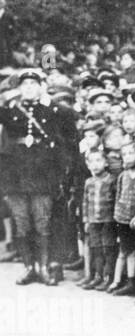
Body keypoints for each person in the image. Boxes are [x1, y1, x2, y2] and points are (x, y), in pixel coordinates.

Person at [1, 68, 78, 286]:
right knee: (22, 223)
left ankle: (44, 267)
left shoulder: (51, 110)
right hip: (16, 176)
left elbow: (70, 117)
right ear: (18, 88)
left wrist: (49, 101)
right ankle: (29, 267)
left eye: (33, 84)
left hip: (42, 175)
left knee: (42, 222)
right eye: (24, 85)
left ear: (41, 87)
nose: (28, 88)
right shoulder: (12, 110)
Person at [107, 139, 135, 297]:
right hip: (122, 220)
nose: (127, 157)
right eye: (124, 154)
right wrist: (117, 216)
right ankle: (131, 282)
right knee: (128, 251)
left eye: (131, 153)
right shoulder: (123, 175)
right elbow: (119, 196)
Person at [79, 148, 117, 290]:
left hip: (108, 221)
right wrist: (86, 220)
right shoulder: (88, 182)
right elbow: (85, 202)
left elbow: (116, 201)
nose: (95, 164)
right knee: (96, 249)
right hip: (93, 221)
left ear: (106, 163)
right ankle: (98, 276)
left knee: (108, 248)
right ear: (87, 164)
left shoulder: (111, 180)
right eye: (92, 161)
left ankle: (108, 277)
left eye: (99, 160)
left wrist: (115, 219)